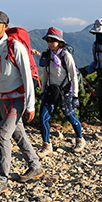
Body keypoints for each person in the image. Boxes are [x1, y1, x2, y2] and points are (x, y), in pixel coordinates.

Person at [0, 10, 43, 197]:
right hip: (2, 99)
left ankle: (2, 180)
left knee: (2, 135)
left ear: (5, 27)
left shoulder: (15, 47)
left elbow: (27, 76)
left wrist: (30, 105)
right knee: (18, 134)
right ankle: (35, 166)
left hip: (18, 99)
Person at [37, 27, 85, 157]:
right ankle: (46, 144)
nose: (50, 42)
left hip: (65, 91)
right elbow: (45, 75)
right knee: (43, 117)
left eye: (53, 40)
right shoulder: (47, 56)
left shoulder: (65, 55)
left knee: (70, 116)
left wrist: (75, 95)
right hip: (51, 91)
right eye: (48, 39)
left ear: (59, 42)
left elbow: (73, 76)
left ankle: (80, 139)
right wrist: (43, 91)